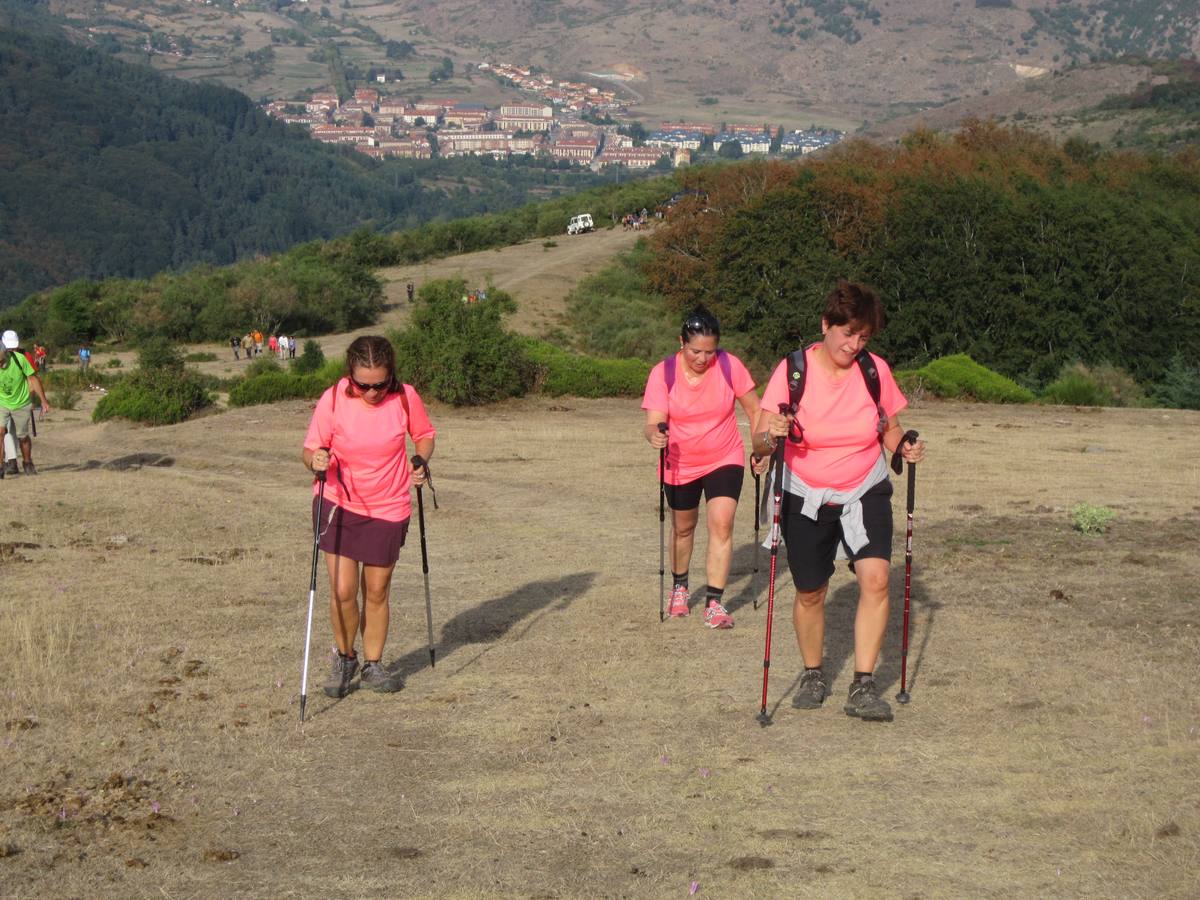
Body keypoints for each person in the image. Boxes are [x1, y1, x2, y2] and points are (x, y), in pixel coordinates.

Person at [752, 280, 926, 723]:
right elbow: (761, 435)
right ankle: (814, 672)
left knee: (876, 580)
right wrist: (766, 437)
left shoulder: (874, 371)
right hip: (804, 491)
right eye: (848, 333)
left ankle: (863, 685)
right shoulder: (793, 372)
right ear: (825, 325)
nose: (854, 344)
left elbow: (889, 425)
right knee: (811, 590)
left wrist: (901, 445)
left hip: (864, 485)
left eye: (864, 337)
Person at [302, 335, 437, 697]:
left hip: (388, 505)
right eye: (363, 384)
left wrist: (421, 460)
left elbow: (424, 435)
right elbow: (310, 448)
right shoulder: (332, 399)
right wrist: (315, 459)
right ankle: (345, 658)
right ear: (351, 373)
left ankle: (373, 665)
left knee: (376, 590)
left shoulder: (405, 397)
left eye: (380, 384)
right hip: (339, 503)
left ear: (391, 374)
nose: (372, 392)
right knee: (343, 590)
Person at [642, 309, 766, 629]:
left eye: (710, 351)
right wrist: (655, 434)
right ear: (681, 343)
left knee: (721, 525)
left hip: (724, 456)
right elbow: (653, 420)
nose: (702, 358)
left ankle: (714, 602)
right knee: (684, 527)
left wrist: (761, 447)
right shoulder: (663, 373)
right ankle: (680, 588)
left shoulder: (729, 366)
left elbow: (755, 411)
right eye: (696, 350)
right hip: (680, 461)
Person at [1, 330, 50, 477]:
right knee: (2, 432)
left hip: (21, 402)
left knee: (22, 436)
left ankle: (27, 462)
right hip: (2, 402)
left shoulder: (21, 358)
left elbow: (33, 380)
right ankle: (6, 464)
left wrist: (43, 401)